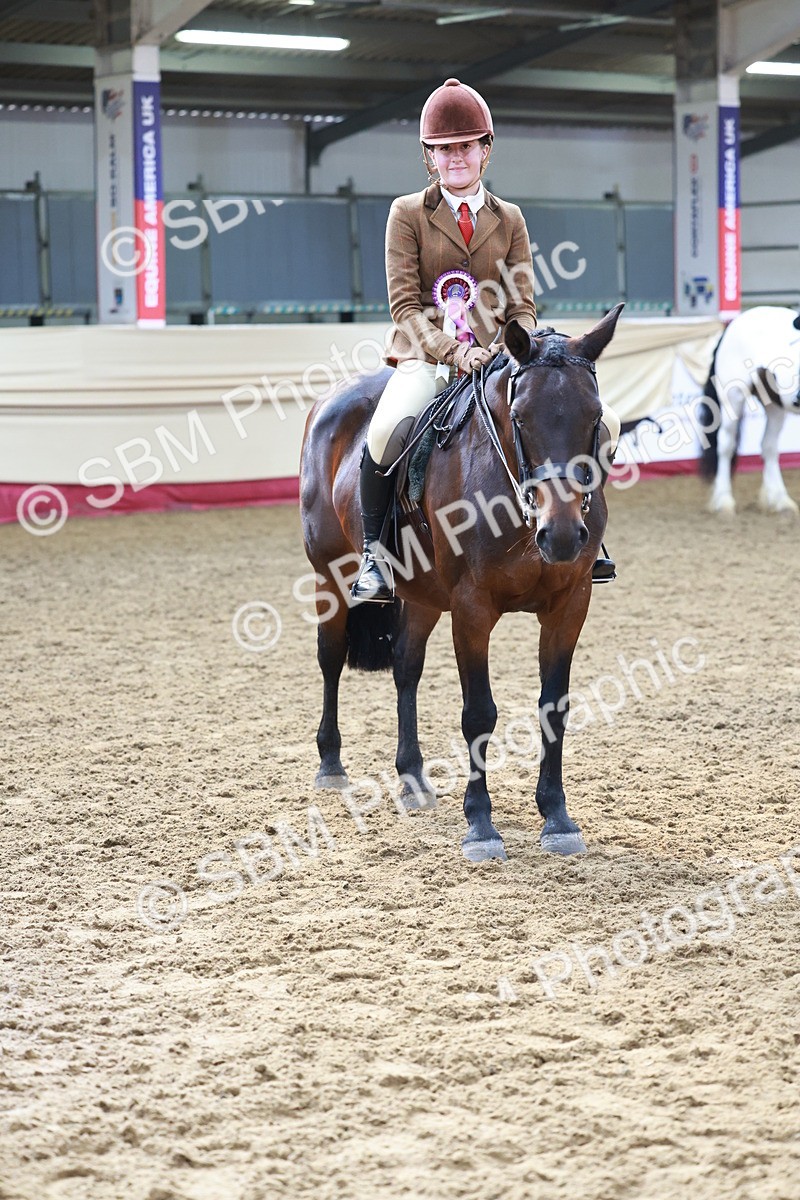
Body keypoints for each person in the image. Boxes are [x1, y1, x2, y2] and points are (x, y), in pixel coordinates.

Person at [351, 77, 620, 602]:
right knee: (384, 432)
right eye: (444, 149)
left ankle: (586, 531)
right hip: (427, 356)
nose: (456, 157)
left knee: (603, 421)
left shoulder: (510, 217)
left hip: (500, 358)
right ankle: (373, 557)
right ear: (430, 156)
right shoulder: (407, 213)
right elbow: (404, 306)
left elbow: (522, 304)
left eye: (466, 147)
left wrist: (507, 346)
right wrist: (455, 351)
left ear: (485, 150)